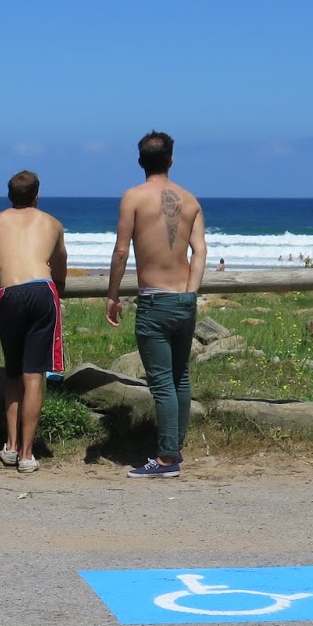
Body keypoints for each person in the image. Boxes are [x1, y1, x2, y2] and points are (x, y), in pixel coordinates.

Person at [106, 130, 206, 478]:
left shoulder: (134, 197)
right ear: (171, 160)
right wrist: (191, 291)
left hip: (154, 300)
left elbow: (121, 251)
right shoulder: (190, 200)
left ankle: (166, 459)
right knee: (180, 377)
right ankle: (174, 447)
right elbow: (200, 251)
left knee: (162, 382)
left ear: (140, 162)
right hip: (184, 299)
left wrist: (113, 294)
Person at [0, 169, 68, 473]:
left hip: (10, 293)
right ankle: (27, 454)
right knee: (34, 375)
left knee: (13, 373)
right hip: (42, 290)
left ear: (9, 195)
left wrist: (0, 268)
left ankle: (11, 446)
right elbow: (60, 267)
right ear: (37, 196)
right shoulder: (52, 223)